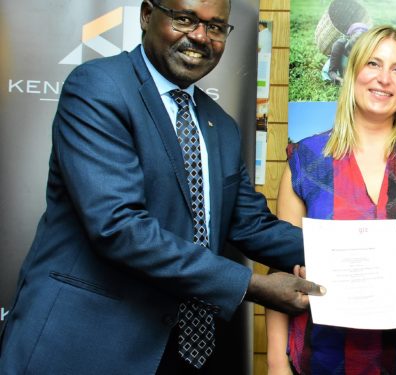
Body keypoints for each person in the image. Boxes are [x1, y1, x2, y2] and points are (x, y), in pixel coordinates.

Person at [0, 0, 325, 374]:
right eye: (185, 19)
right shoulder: (99, 87)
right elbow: (119, 227)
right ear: (146, 14)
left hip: (180, 349)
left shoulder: (221, 125)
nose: (200, 37)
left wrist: (364, 253)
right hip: (86, 344)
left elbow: (251, 225)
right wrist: (250, 286)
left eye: (216, 27)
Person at [267, 25, 396, 375]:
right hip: (325, 357)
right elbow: (278, 265)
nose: (384, 79)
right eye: (373, 64)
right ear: (352, 72)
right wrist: (276, 361)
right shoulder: (307, 159)